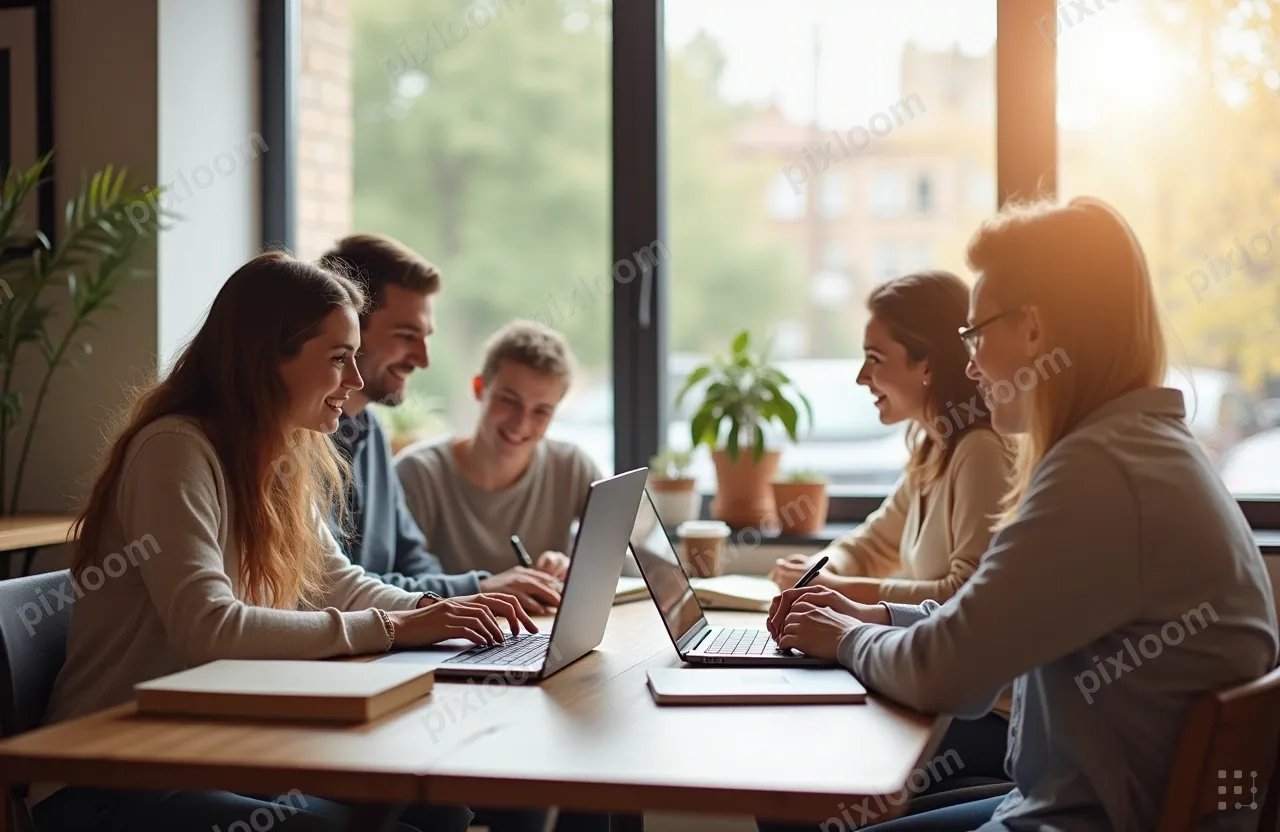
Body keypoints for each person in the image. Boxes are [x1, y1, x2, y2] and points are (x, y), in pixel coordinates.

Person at [769, 197, 1279, 830]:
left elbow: (947, 676)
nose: (971, 360)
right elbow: (983, 629)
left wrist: (846, 638)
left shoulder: (1100, 473)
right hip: (1066, 803)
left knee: (804, 815)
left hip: (1074, 820)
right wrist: (869, 614)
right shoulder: (1142, 451)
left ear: (1034, 329)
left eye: (976, 333)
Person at [32, 252, 534, 832]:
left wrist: (434, 611)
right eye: (339, 359)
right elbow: (209, 628)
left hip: (215, 747)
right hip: (112, 774)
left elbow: (334, 580)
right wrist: (395, 628)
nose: (356, 380)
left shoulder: (282, 452)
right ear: (268, 359)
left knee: (441, 809)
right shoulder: (174, 450)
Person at [768, 271, 1014, 789]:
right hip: (952, 696)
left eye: (875, 359)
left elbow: (963, 595)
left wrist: (836, 593)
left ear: (927, 363)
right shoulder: (933, 448)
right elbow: (871, 542)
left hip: (993, 716)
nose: (861, 376)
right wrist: (818, 575)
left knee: (802, 766)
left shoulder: (981, 452)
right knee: (796, 755)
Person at [317, 235, 564, 613]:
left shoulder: (373, 431)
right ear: (350, 329)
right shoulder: (300, 445)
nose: (422, 358)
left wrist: (468, 604)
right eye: (405, 336)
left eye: (426, 337)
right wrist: (477, 587)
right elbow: (336, 590)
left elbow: (414, 562)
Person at [396, 320, 603, 614]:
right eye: (509, 401)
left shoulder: (572, 467)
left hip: (536, 634)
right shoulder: (417, 474)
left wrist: (577, 569)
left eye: (541, 411)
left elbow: (620, 559)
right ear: (479, 389)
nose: (521, 423)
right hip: (449, 640)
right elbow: (388, 585)